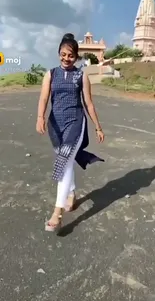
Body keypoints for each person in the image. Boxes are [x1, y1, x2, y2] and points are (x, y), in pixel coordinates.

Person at [36, 33, 105, 232]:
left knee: (63, 161)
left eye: (71, 55)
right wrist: (40, 117)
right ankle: (71, 194)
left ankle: (57, 213)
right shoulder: (50, 74)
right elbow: (43, 99)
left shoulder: (81, 75)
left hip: (75, 122)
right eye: (63, 54)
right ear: (59, 54)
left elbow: (89, 104)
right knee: (65, 161)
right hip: (55, 125)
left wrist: (98, 127)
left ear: (76, 57)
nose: (66, 59)